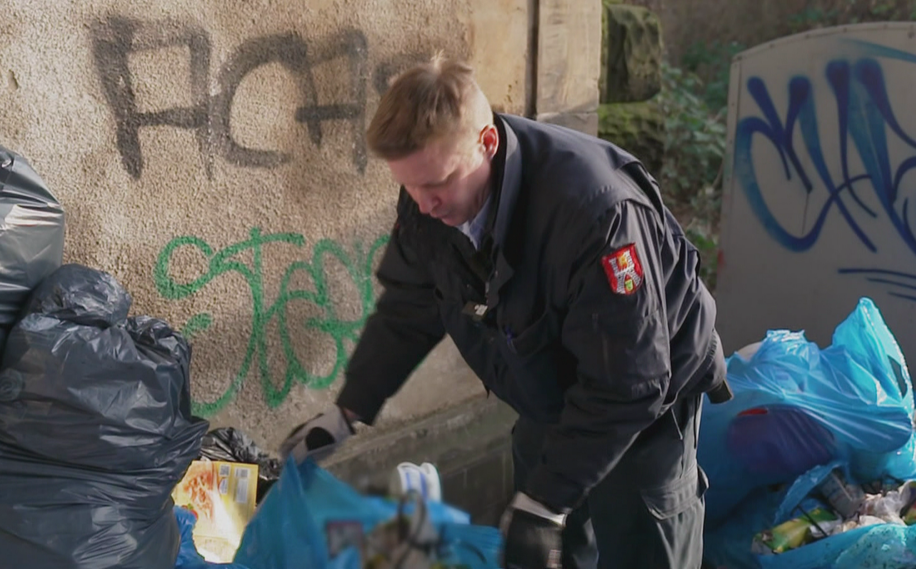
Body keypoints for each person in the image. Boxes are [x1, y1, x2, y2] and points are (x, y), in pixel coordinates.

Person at [280, 55, 732, 569]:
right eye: (408, 186)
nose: (424, 204)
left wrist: (545, 501)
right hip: (547, 391)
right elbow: (410, 306)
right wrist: (347, 412)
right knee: (543, 548)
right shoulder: (431, 199)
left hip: (643, 408)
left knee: (639, 550)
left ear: (486, 143)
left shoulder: (596, 216)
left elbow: (629, 382)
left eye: (438, 184)